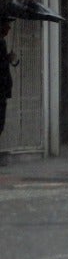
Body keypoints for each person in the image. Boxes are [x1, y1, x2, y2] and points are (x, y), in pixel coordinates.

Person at [0, 19, 14, 164]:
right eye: (6, 24)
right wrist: (6, 59)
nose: (9, 27)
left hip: (3, 90)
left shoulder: (2, 42)